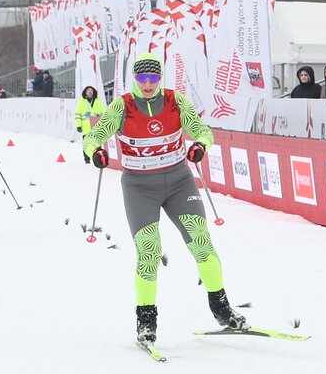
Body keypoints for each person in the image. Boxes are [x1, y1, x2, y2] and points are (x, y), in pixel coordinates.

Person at [82, 52, 246, 346]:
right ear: (135, 78)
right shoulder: (122, 106)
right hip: (139, 186)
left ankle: (221, 307)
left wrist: (200, 145)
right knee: (149, 251)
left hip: (179, 182)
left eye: (153, 78)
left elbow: (202, 130)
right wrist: (96, 152)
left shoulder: (175, 101)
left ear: (160, 78)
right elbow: (93, 136)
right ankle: (146, 320)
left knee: (201, 241)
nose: (147, 84)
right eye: (142, 78)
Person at [75, 85, 106, 163]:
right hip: (86, 128)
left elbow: (104, 113)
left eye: (91, 90)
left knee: (98, 144)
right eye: (88, 90)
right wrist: (78, 125)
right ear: (85, 92)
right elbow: (78, 114)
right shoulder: (81, 102)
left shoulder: (98, 101)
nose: (90, 91)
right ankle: (87, 160)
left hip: (96, 127)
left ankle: (98, 159)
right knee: (87, 145)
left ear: (93, 92)